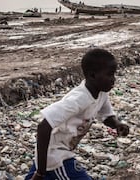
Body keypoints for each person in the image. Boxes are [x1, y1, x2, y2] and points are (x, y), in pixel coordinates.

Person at [25, 48, 129, 180]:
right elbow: (43, 126)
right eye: (109, 75)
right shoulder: (78, 99)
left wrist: (117, 124)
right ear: (92, 76)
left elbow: (106, 116)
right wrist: (41, 172)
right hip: (56, 156)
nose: (113, 79)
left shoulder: (101, 93)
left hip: (59, 152)